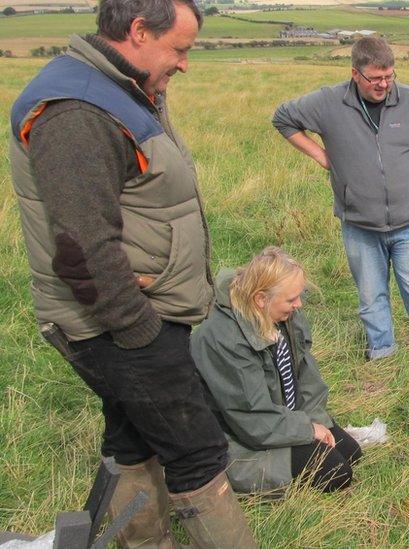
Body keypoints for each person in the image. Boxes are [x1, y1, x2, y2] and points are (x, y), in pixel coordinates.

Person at [8, 1, 257, 546]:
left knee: (132, 438)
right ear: (139, 31)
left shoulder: (119, 88)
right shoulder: (78, 110)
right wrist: (139, 329)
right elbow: (81, 245)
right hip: (118, 321)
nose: (185, 64)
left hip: (138, 311)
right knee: (196, 449)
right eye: (180, 49)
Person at [272, 36, 409, 382]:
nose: (383, 85)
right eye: (375, 78)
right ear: (355, 73)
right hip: (359, 224)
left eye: (389, 76)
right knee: (371, 295)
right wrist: (320, 155)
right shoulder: (329, 102)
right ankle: (382, 358)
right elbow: (283, 118)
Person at [190, 247, 363, 494]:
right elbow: (251, 417)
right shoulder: (222, 339)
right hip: (239, 438)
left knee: (351, 452)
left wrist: (314, 419)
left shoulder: (281, 313)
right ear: (261, 299)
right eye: (292, 299)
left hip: (280, 417)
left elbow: (306, 374)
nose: (299, 304)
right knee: (336, 472)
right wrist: (307, 430)